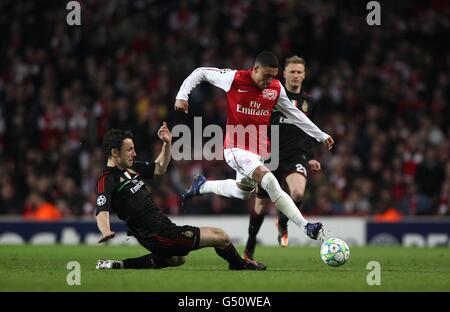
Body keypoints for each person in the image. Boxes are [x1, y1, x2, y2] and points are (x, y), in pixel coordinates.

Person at [174, 51, 334, 243]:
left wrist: (321, 135)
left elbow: (294, 114)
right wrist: (182, 95)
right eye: (266, 75)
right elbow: (201, 72)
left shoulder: (275, 88)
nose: (269, 80)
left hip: (257, 151)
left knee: (242, 192)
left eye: (273, 76)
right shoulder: (234, 78)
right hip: (235, 148)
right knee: (268, 180)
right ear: (255, 69)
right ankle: (306, 225)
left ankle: (202, 185)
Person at [95, 126, 266, 270]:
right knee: (220, 236)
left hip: (160, 228)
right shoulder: (106, 180)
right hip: (158, 233)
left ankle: (118, 265)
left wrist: (167, 143)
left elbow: (160, 168)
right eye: (129, 150)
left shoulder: (131, 168)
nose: (134, 153)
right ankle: (239, 265)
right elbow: (101, 210)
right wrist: (106, 230)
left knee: (177, 260)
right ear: (115, 152)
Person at [244, 56, 322, 260]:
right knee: (260, 207)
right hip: (270, 154)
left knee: (297, 193)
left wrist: (311, 157)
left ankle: (283, 223)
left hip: (296, 154)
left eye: (299, 72)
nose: (296, 76)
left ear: (304, 75)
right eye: (292, 72)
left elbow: (309, 130)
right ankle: (250, 243)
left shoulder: (309, 102)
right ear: (284, 74)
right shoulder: (272, 95)